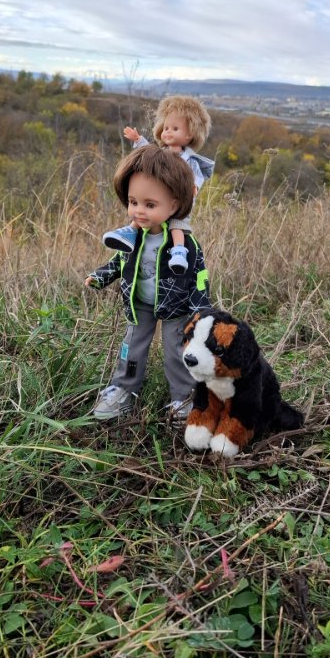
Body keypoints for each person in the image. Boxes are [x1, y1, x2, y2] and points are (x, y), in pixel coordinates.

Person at [85, 144, 211, 420]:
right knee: (132, 347)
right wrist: (100, 277)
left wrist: (203, 308)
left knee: (177, 352)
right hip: (139, 303)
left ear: (175, 205)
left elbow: (198, 275)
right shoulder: (134, 237)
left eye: (150, 205)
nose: (139, 211)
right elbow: (120, 261)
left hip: (176, 307)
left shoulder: (185, 244)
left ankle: (183, 399)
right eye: (133, 202)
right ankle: (123, 389)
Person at [102, 95, 214, 275]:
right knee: (142, 210)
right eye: (166, 127)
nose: (168, 132)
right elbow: (148, 155)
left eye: (175, 128)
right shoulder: (162, 152)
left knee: (178, 225)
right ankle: (130, 232)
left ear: (190, 133)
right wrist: (138, 139)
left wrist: (193, 189)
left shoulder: (190, 160)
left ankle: (179, 251)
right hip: (156, 198)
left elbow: (196, 178)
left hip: (179, 202)